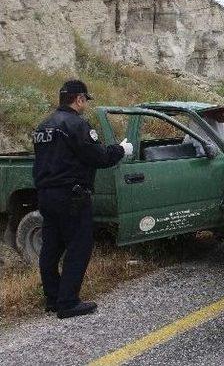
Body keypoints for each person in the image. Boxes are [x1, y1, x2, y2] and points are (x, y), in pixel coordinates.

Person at [32, 79, 133, 319]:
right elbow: (98, 157)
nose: (85, 104)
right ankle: (68, 302)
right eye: (85, 100)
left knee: (51, 248)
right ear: (79, 99)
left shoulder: (43, 126)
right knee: (79, 247)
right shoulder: (76, 124)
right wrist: (121, 150)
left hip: (46, 194)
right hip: (71, 195)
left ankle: (53, 298)